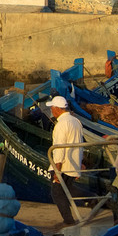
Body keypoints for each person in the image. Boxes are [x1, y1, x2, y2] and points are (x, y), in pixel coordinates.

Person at [47, 95, 86, 226]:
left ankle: (68, 221)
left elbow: (59, 147)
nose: (51, 110)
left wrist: (57, 169)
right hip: (73, 163)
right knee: (68, 189)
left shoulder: (61, 124)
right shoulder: (76, 121)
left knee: (57, 192)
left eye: (52, 107)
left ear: (57, 109)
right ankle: (93, 199)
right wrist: (81, 161)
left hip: (63, 165)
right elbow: (80, 142)